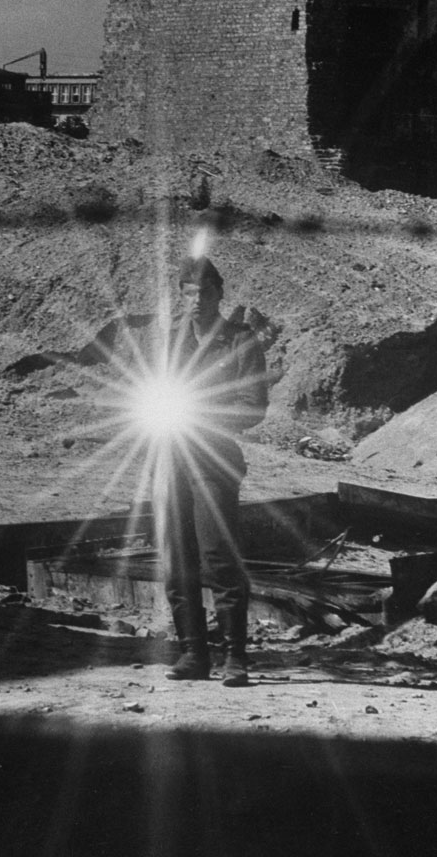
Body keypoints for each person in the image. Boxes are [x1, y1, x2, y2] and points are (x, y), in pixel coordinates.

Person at [158, 255, 267, 687]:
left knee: (219, 557)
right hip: (170, 458)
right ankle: (192, 654)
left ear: (220, 295)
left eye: (204, 292)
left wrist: (202, 416)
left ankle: (234, 657)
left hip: (214, 459)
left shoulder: (241, 341)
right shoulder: (168, 342)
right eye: (188, 293)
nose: (196, 300)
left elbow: (253, 406)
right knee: (177, 559)